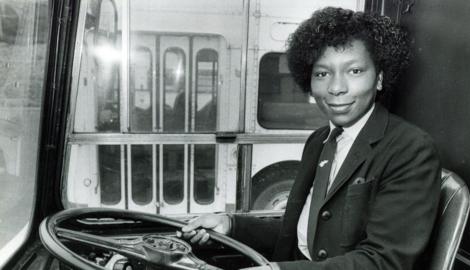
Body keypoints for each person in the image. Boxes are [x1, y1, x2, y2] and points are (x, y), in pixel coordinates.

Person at [181, 7, 441, 270]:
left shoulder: (410, 149)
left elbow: (384, 262)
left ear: (380, 78)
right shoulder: (320, 140)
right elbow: (302, 230)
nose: (336, 88)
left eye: (354, 71)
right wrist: (230, 224)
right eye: (322, 74)